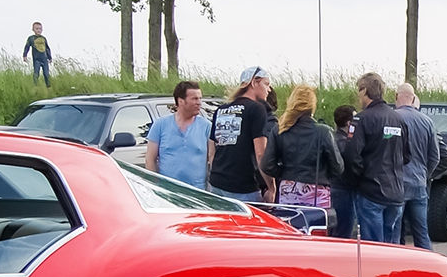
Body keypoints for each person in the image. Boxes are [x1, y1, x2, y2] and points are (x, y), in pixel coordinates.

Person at [341, 72, 409, 244]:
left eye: (359, 90)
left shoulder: (361, 119)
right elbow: (407, 156)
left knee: (373, 248)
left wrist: (356, 181)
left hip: (371, 192)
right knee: (391, 248)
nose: (358, 96)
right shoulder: (398, 119)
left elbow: (351, 155)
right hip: (396, 193)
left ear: (365, 91)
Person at [262, 84, 342, 210]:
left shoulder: (279, 130)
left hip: (288, 191)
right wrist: (323, 175)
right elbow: (338, 167)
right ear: (312, 106)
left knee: (289, 227)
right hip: (317, 194)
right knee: (316, 227)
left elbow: (266, 164)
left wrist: (284, 174)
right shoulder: (323, 132)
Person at [208, 67, 273, 201]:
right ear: (254, 82)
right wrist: (271, 187)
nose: (269, 89)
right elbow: (261, 154)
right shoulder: (257, 109)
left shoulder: (221, 109)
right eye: (266, 84)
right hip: (243, 187)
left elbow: (212, 151)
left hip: (216, 183)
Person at [393, 82, 440, 249]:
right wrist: (424, 175)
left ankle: (396, 268)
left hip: (397, 183)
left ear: (396, 97)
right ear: (413, 99)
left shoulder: (392, 118)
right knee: (421, 232)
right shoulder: (427, 122)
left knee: (395, 232)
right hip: (419, 183)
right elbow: (435, 156)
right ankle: (428, 268)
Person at [144, 80, 210, 188]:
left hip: (197, 194)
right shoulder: (160, 125)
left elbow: (212, 160)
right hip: (167, 191)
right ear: (181, 101)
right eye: (194, 99)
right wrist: (155, 186)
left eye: (200, 98)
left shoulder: (207, 127)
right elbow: (150, 159)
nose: (199, 103)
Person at [329, 105, 357, 239]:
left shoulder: (331, 138)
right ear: (348, 123)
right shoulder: (347, 143)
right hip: (345, 189)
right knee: (345, 230)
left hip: (332, 187)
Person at [23, 22, 54, 88]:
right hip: (36, 59)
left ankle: (48, 87)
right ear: (33, 29)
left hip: (44, 59)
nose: (38, 30)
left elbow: (47, 48)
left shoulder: (43, 38)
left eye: (40, 29)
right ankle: (35, 86)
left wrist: (50, 57)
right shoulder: (31, 38)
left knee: (46, 74)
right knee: (36, 73)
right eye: (37, 29)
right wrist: (25, 55)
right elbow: (27, 47)